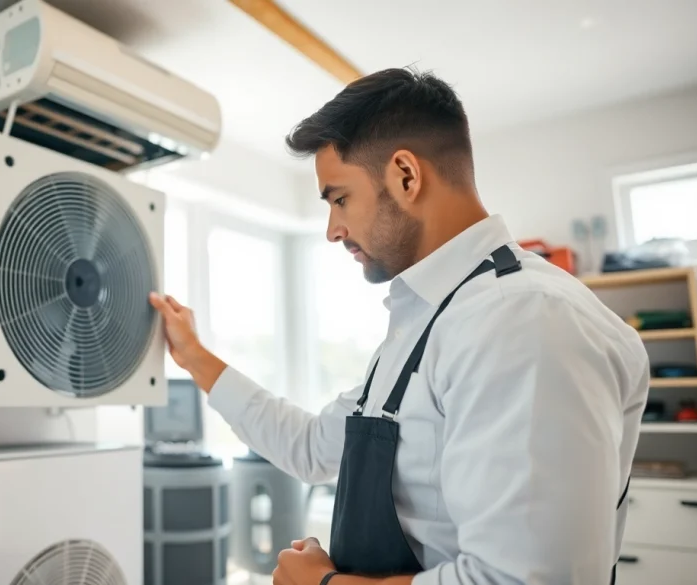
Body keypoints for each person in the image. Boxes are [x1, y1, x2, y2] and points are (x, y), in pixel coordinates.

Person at [148, 68, 649, 585]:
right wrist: (193, 357)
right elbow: (313, 446)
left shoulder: (523, 320)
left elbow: (523, 581)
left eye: (339, 199)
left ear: (406, 176)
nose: (332, 230)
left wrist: (323, 584)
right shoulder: (426, 320)